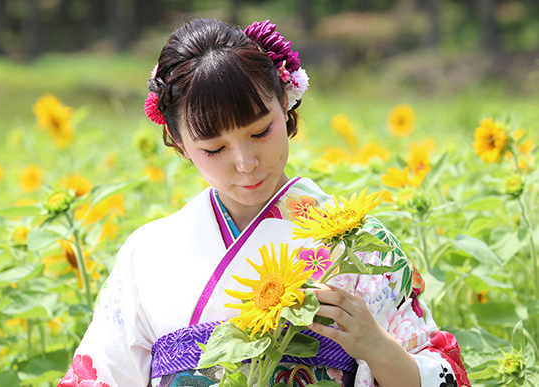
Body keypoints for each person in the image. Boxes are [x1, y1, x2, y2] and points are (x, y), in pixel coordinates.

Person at [58, 18, 470, 387]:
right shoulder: (146, 255)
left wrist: (376, 347)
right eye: (214, 149)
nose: (245, 163)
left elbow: (442, 374)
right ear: (180, 145)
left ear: (286, 104)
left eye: (260, 132)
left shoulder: (360, 245)